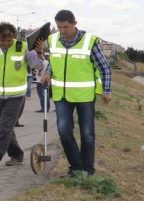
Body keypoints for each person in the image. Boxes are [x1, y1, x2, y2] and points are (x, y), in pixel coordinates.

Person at [41, 10, 111, 177]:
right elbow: (54, 62)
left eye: (65, 27)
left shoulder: (89, 42)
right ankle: (76, 167)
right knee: (64, 132)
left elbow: (105, 68)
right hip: (61, 96)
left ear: (74, 23)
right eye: (59, 27)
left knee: (87, 134)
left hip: (84, 96)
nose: (62, 31)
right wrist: (48, 73)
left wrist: (106, 91)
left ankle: (88, 170)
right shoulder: (53, 39)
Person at [0, 22, 44, 169]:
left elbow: (38, 66)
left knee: (5, 126)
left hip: (16, 96)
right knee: (4, 127)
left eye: (9, 40)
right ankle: (17, 155)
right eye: (2, 40)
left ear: (14, 38)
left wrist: (38, 52)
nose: (5, 43)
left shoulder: (22, 48)